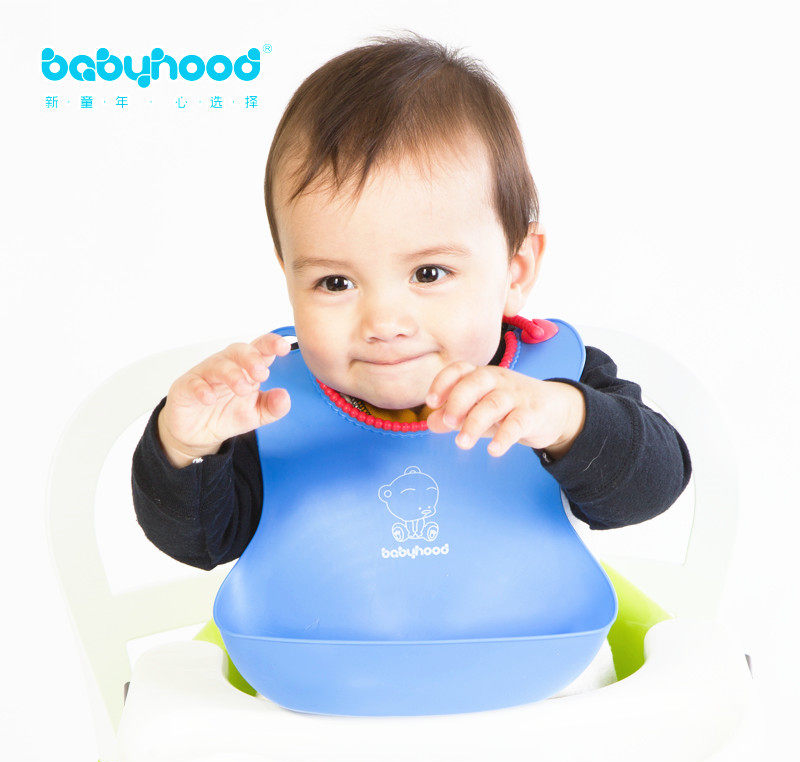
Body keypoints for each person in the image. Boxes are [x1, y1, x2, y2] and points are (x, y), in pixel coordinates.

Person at [131, 32, 692, 576]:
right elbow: (202, 544)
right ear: (288, 275)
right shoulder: (273, 407)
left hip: (535, 639)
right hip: (322, 644)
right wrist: (186, 448)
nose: (384, 323)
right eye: (335, 282)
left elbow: (654, 487)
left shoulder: (552, 382)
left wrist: (566, 420)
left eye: (428, 273)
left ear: (515, 270)